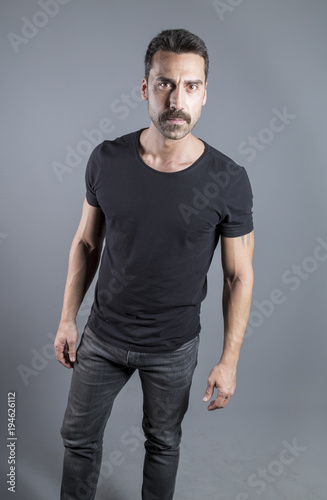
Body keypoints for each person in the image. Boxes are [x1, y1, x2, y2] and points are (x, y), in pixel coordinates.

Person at [54, 28, 254, 500]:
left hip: (173, 346)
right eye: (165, 84)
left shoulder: (228, 179)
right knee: (78, 441)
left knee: (163, 443)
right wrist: (67, 318)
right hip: (103, 337)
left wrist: (230, 360)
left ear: (205, 93)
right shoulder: (107, 159)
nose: (176, 99)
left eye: (190, 86)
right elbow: (86, 243)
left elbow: (238, 274)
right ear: (146, 88)